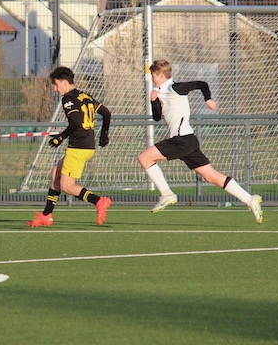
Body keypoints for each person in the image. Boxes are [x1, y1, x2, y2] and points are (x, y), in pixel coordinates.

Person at [139, 59, 262, 223]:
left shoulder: (175, 88)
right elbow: (156, 117)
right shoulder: (159, 91)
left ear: (160, 75)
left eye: (153, 75)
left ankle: (167, 194)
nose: (152, 78)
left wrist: (208, 99)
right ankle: (249, 199)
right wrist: (154, 101)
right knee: (212, 177)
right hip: (188, 141)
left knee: (144, 158)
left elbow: (201, 84)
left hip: (182, 140)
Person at [28, 66, 113, 227]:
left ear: (65, 82)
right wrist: (104, 135)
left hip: (78, 148)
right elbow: (106, 113)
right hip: (87, 146)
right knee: (55, 174)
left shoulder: (68, 98)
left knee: (66, 186)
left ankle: (99, 201)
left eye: (56, 84)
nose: (55, 89)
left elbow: (75, 122)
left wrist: (61, 137)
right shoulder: (85, 96)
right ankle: (46, 215)